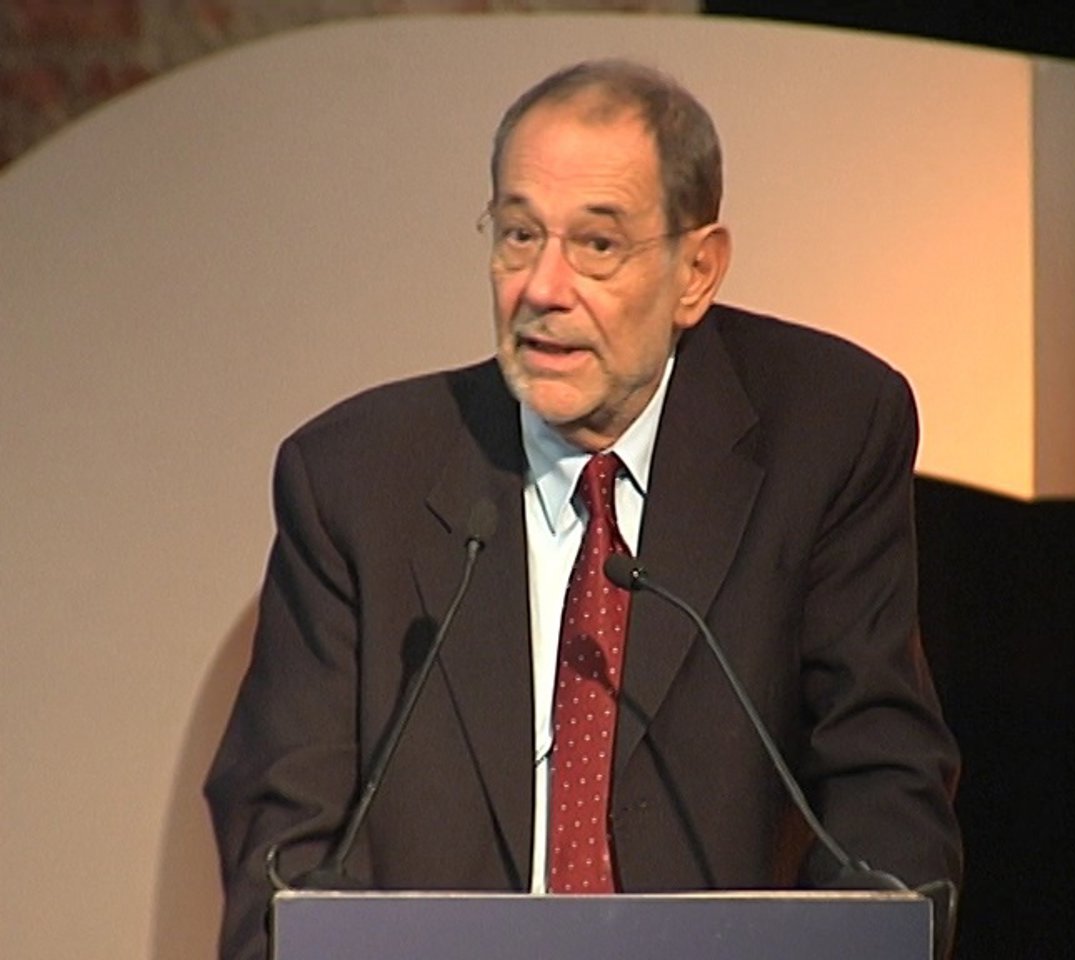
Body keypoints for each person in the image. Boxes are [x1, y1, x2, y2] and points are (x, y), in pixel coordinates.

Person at [205, 59, 962, 960]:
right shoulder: (355, 480)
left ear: (697, 271)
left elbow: (883, 787)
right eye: (520, 235)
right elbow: (285, 852)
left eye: (598, 245)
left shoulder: (825, 430)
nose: (542, 287)